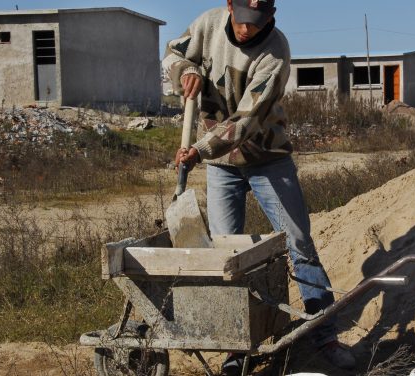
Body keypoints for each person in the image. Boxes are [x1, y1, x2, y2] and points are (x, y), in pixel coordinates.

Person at [162, 0, 356, 373]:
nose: (246, 29)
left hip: (268, 158)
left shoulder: (276, 52)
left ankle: (324, 336)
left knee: (300, 245)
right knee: (227, 258)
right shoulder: (207, 24)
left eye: (257, 21)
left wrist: (199, 150)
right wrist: (185, 70)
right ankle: (237, 349)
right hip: (221, 167)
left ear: (271, 15)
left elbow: (247, 120)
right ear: (230, 5)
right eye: (241, 19)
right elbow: (171, 53)